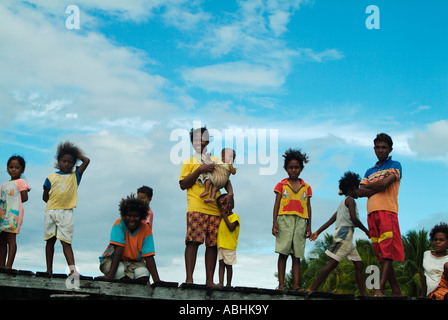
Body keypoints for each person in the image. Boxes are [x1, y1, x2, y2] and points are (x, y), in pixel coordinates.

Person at [179, 126, 234, 286]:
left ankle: (209, 281)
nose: (200, 142)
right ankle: (189, 279)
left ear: (207, 140)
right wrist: (200, 169)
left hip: (215, 209)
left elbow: (226, 180)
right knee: (193, 241)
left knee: (212, 245)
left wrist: (230, 194)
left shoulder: (216, 160)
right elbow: (183, 184)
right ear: (192, 142)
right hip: (196, 207)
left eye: (203, 138)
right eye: (197, 139)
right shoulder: (189, 162)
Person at [355, 133, 404, 296]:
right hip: (371, 213)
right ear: (374, 149)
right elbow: (360, 192)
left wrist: (370, 186)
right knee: (381, 254)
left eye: (384, 147)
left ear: (390, 149)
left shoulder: (395, 164)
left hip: (387, 211)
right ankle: (396, 290)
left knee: (388, 250)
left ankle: (379, 289)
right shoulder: (369, 170)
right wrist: (373, 187)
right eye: (378, 147)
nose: (381, 150)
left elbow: (384, 184)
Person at [308, 171, 369, 295]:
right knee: (332, 264)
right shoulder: (350, 200)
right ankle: (312, 288)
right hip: (345, 235)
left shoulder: (342, 203)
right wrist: (367, 231)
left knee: (359, 265)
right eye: (357, 188)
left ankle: (364, 294)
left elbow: (331, 220)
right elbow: (354, 219)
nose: (358, 191)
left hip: (344, 236)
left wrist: (317, 232)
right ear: (351, 189)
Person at [42, 141, 90, 275]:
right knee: (50, 241)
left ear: (74, 163)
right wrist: (53, 205)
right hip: (51, 211)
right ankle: (49, 270)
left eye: (70, 162)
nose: (67, 164)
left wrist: (75, 152)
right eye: (64, 161)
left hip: (66, 212)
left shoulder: (75, 176)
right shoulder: (51, 177)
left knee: (66, 242)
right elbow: (45, 196)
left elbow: (86, 160)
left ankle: (73, 270)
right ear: (58, 161)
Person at [272, 148, 312, 291]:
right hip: (284, 220)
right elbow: (276, 204)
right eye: (291, 167)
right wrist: (274, 222)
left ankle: (295, 287)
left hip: (301, 221)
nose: (293, 170)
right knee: (283, 253)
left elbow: (308, 206)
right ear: (286, 168)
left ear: (301, 168)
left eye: (296, 167)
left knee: (297, 256)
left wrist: (309, 226)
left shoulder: (306, 187)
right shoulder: (281, 185)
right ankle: (281, 285)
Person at [98, 194, 160, 283]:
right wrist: (110, 276)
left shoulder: (146, 229)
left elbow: (149, 256)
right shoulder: (119, 224)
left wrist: (157, 281)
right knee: (120, 273)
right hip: (113, 261)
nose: (132, 219)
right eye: (129, 215)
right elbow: (119, 249)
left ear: (142, 217)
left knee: (144, 273)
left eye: (136, 216)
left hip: (134, 263)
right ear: (124, 215)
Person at [0, 155, 30, 269]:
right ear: (7, 168)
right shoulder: (4, 184)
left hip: (13, 215)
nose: (13, 169)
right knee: (2, 239)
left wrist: (14, 204)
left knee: (11, 239)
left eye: (17, 167)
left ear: (22, 170)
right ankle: (1, 264)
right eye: (11, 167)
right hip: (3, 215)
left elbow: (25, 198)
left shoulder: (21, 182)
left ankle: (9, 265)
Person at [216, 193, 240, 287]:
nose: (222, 207)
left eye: (224, 203)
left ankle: (228, 284)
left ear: (231, 204)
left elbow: (231, 227)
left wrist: (224, 217)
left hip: (229, 246)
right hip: (221, 245)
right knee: (221, 264)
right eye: (220, 205)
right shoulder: (221, 219)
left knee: (228, 265)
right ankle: (221, 283)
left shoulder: (234, 216)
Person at [421, 222, 448, 300]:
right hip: (435, 290)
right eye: (435, 239)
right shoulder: (427, 254)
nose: (437, 242)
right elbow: (425, 276)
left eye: (441, 240)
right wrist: (421, 296)